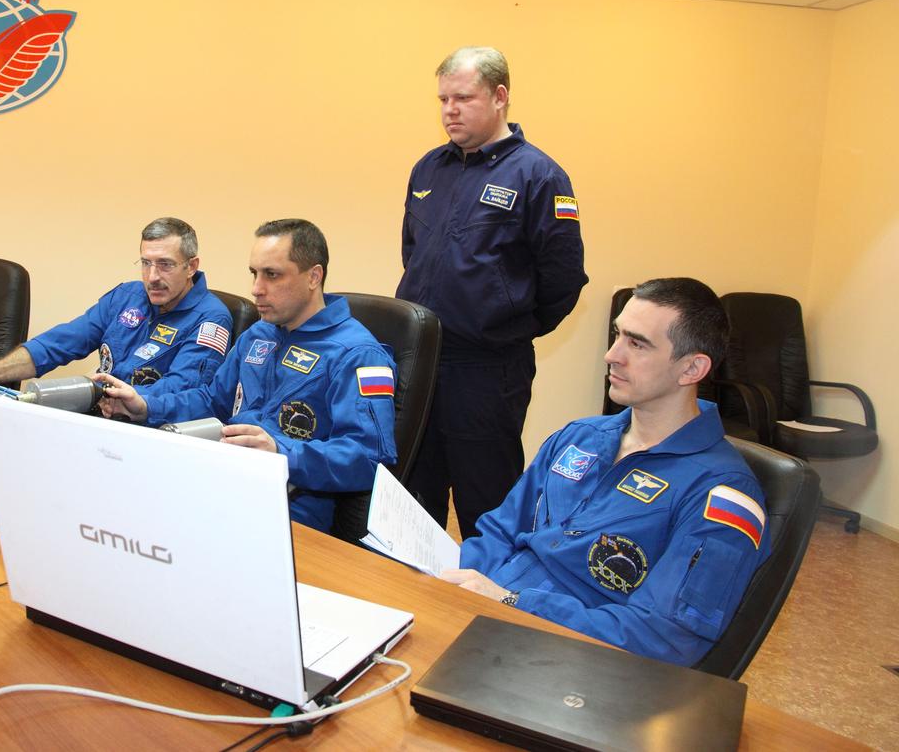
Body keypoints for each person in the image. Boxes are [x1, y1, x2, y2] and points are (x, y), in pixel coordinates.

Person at [440, 278, 771, 666]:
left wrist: (513, 602)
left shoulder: (722, 494)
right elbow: (499, 531)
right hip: (486, 618)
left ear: (692, 368)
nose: (612, 355)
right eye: (618, 335)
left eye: (637, 344)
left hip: (569, 661)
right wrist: (450, 584)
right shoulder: (579, 437)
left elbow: (665, 638)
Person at [97, 219, 397, 534]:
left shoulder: (359, 354)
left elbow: (370, 460)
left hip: (287, 512)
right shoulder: (259, 334)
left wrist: (281, 452)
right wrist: (146, 406)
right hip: (221, 484)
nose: (256, 289)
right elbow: (212, 401)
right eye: (254, 273)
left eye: (272, 275)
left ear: (313, 276)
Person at [397, 45, 589, 538]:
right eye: (443, 100)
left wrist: (507, 324)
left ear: (500, 96)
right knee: (411, 504)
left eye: (463, 98)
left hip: (486, 371)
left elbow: (563, 277)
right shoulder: (428, 168)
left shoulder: (539, 175)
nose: (450, 111)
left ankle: (486, 588)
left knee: (486, 506)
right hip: (420, 364)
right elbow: (413, 254)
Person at [0, 217, 231, 396]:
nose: (152, 277)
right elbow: (58, 344)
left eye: (165, 264)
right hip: (98, 414)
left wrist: (96, 392)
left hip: (145, 432)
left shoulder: (211, 319)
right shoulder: (127, 296)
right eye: (145, 263)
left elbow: (181, 390)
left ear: (191, 266)